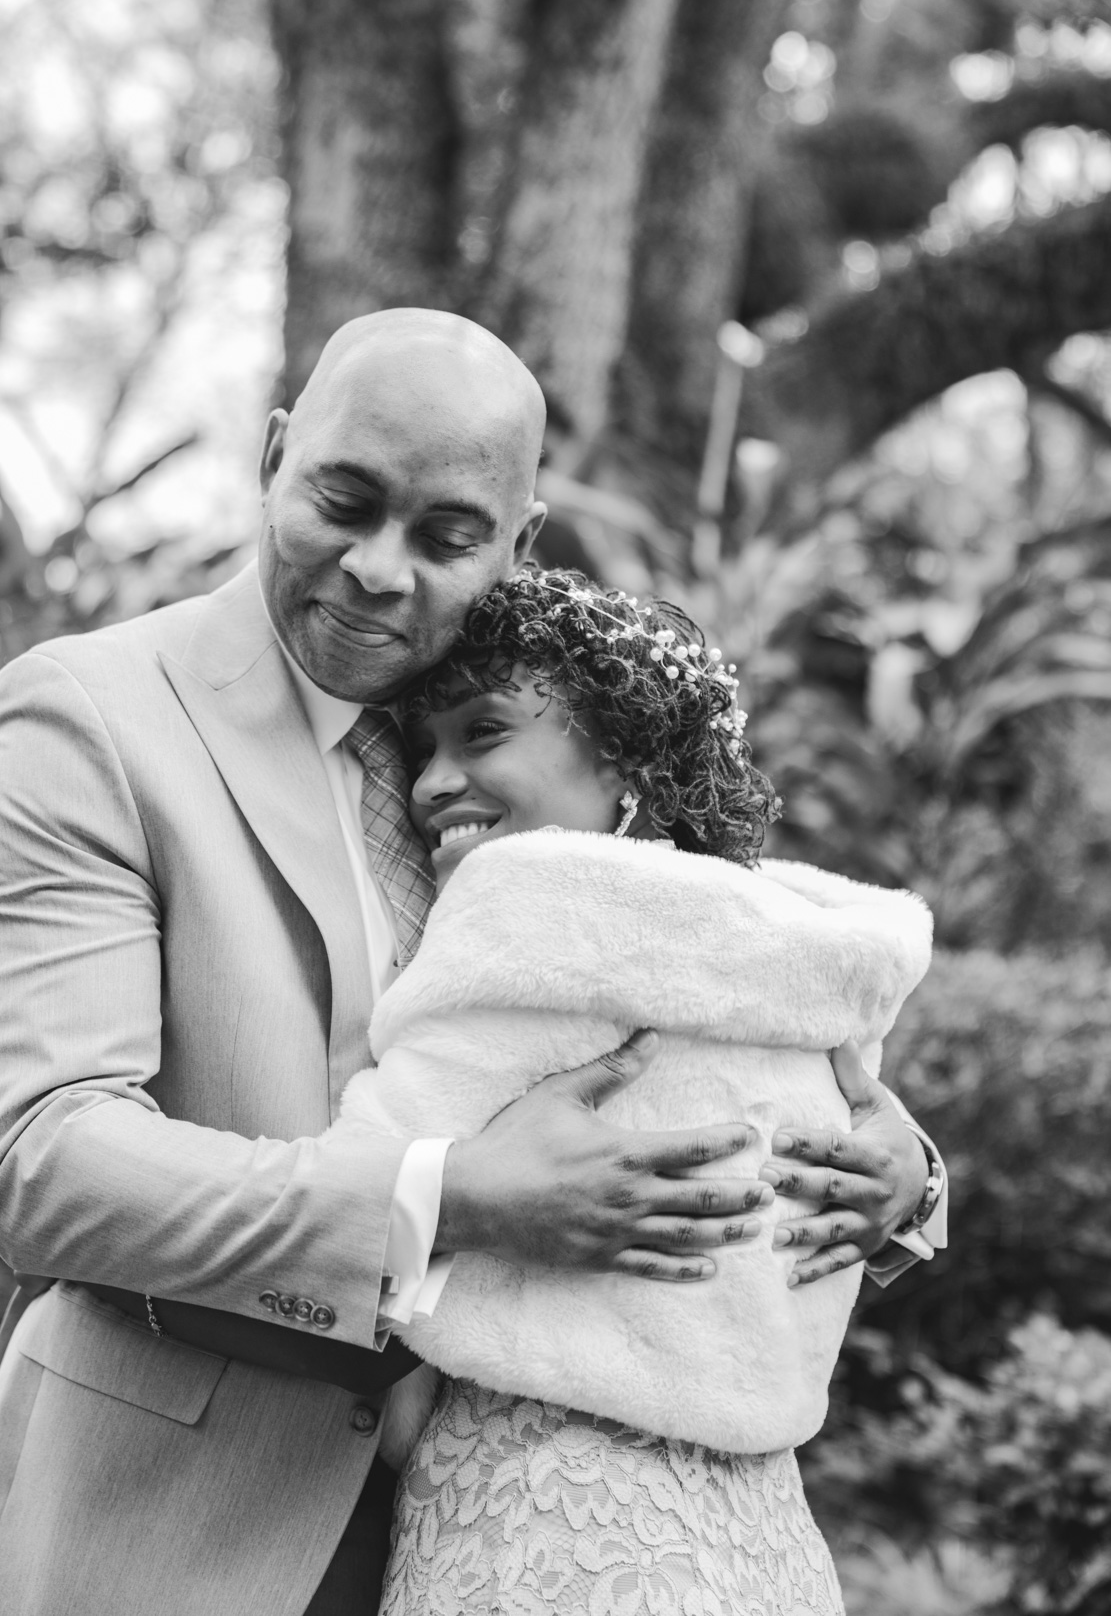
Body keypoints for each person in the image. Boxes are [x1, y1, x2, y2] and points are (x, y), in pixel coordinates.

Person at [0, 310, 944, 1616]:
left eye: (446, 536)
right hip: (181, 1523)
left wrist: (893, 1161)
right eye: (343, 500)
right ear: (274, 454)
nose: (380, 570)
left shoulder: (516, 747)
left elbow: (723, 984)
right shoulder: (90, 715)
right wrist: (446, 1199)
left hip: (502, 1533)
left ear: (519, 542)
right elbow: (44, 1160)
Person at [333, 567, 938, 1614]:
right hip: (759, 1530)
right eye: (420, 747)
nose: (429, 783)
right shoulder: (796, 954)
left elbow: (344, 1195)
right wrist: (918, 1186)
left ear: (625, 757)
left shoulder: (520, 923)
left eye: (481, 733)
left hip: (540, 1514)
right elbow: (838, 1181)